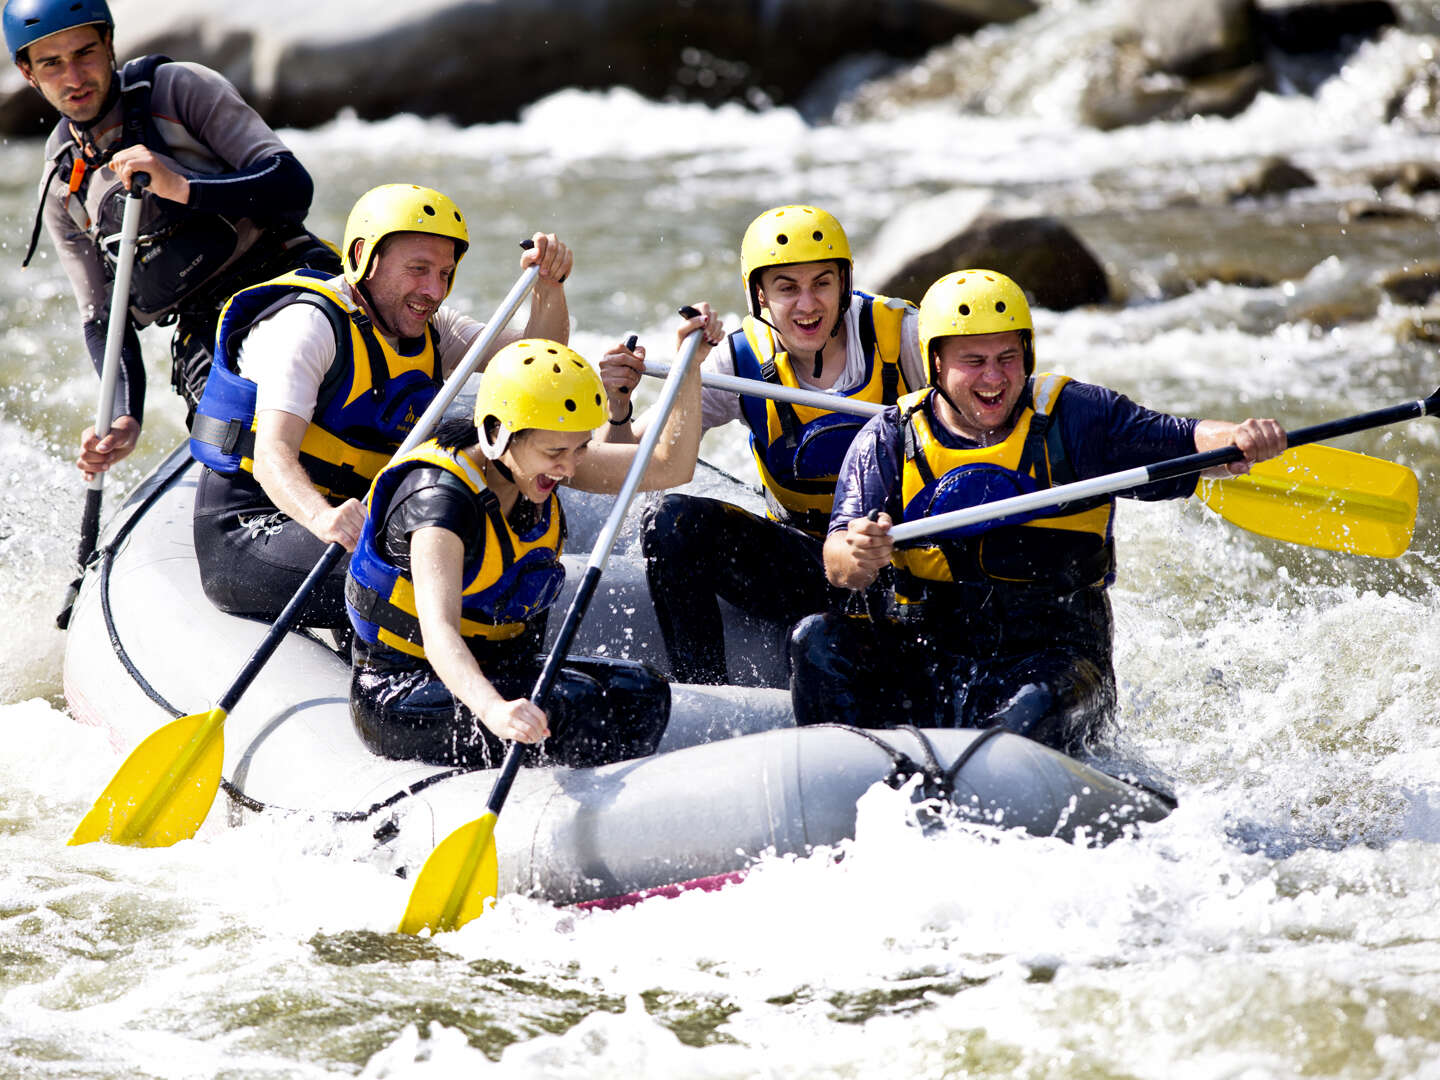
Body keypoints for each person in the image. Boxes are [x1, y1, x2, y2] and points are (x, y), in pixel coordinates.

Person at [790, 268, 1288, 755]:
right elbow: (839, 563)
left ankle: (994, 768)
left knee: (1025, 716)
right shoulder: (889, 438)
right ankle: (850, 771)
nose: (994, 378)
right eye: (974, 360)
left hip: (1055, 664)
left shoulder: (1075, 417)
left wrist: (1238, 440)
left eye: (1008, 357)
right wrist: (858, 552)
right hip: (929, 659)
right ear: (935, 362)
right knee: (817, 639)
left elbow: (1189, 441)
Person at [188, 182, 573, 632]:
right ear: (360, 259)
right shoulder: (308, 327)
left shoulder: (431, 328)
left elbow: (537, 366)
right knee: (439, 569)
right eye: (418, 269)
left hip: (352, 521)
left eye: (445, 273)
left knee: (485, 549)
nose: (433, 290)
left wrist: (549, 288)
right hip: (254, 528)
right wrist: (323, 518)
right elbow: (274, 456)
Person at [346, 312, 722, 769]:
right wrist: (494, 711)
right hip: (405, 689)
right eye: (555, 453)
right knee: (572, 706)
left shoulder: (536, 461)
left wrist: (692, 365)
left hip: (498, 670)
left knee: (641, 691)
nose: (569, 467)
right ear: (495, 434)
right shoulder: (438, 505)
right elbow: (440, 633)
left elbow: (669, 467)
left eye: (580, 448)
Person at [5, 0, 340, 477]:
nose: (75, 76)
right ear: (28, 73)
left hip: (285, 272)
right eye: (52, 63)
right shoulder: (62, 186)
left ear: (109, 44)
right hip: (205, 329)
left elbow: (290, 185)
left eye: (85, 53)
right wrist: (124, 415)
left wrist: (180, 187)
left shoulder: (180, 90)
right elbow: (102, 318)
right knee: (230, 459)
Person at [599, 204, 923, 685]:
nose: (808, 305)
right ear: (760, 297)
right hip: (806, 563)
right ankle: (703, 689)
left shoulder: (905, 335)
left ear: (845, 283)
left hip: (901, 564)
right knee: (672, 521)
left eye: (822, 283)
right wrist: (618, 406)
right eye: (787, 288)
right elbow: (630, 466)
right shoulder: (739, 358)